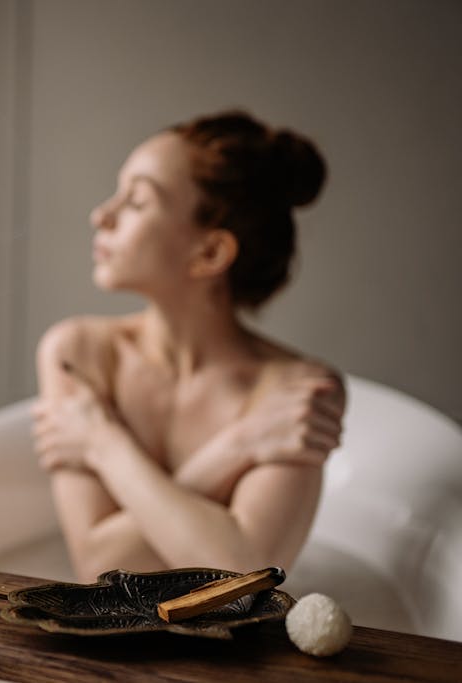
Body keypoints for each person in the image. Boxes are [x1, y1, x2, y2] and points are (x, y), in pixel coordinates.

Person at [31, 110, 345, 583]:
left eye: (136, 202)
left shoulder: (299, 392)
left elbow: (244, 576)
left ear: (210, 253)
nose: (101, 216)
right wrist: (239, 446)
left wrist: (102, 443)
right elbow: (97, 567)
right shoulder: (78, 351)